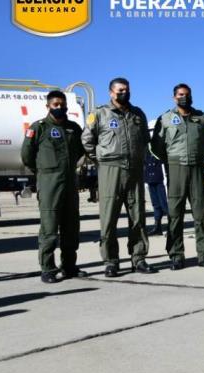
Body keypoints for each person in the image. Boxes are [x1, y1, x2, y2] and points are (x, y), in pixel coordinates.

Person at [81, 77, 154, 277]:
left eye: (127, 90)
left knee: (137, 215)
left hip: (134, 171)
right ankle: (111, 261)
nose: (124, 93)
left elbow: (145, 141)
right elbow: (87, 140)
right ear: (111, 92)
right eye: (120, 90)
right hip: (110, 169)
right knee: (109, 218)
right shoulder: (100, 114)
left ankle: (138, 258)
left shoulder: (137, 114)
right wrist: (102, 159)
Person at [151, 83, 204, 270]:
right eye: (180, 95)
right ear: (174, 98)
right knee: (175, 214)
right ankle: (176, 255)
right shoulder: (165, 119)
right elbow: (156, 145)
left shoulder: (202, 118)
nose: (184, 98)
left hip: (196, 168)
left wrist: (198, 156)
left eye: (187, 94)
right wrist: (171, 159)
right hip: (175, 168)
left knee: (201, 214)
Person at [21, 90, 85, 283]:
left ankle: (69, 266)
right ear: (48, 106)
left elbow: (81, 150)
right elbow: (27, 156)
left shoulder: (73, 128)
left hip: (70, 184)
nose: (60, 108)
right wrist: (44, 172)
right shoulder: (39, 128)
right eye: (56, 105)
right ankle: (48, 268)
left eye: (62, 104)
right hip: (49, 184)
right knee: (49, 228)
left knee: (71, 227)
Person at [144, 151, 168, 236]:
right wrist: (145, 179)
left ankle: (172, 227)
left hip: (160, 178)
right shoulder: (146, 145)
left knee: (165, 205)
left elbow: (163, 160)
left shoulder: (159, 140)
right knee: (156, 205)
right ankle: (157, 227)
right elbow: (145, 162)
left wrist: (165, 176)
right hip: (150, 178)